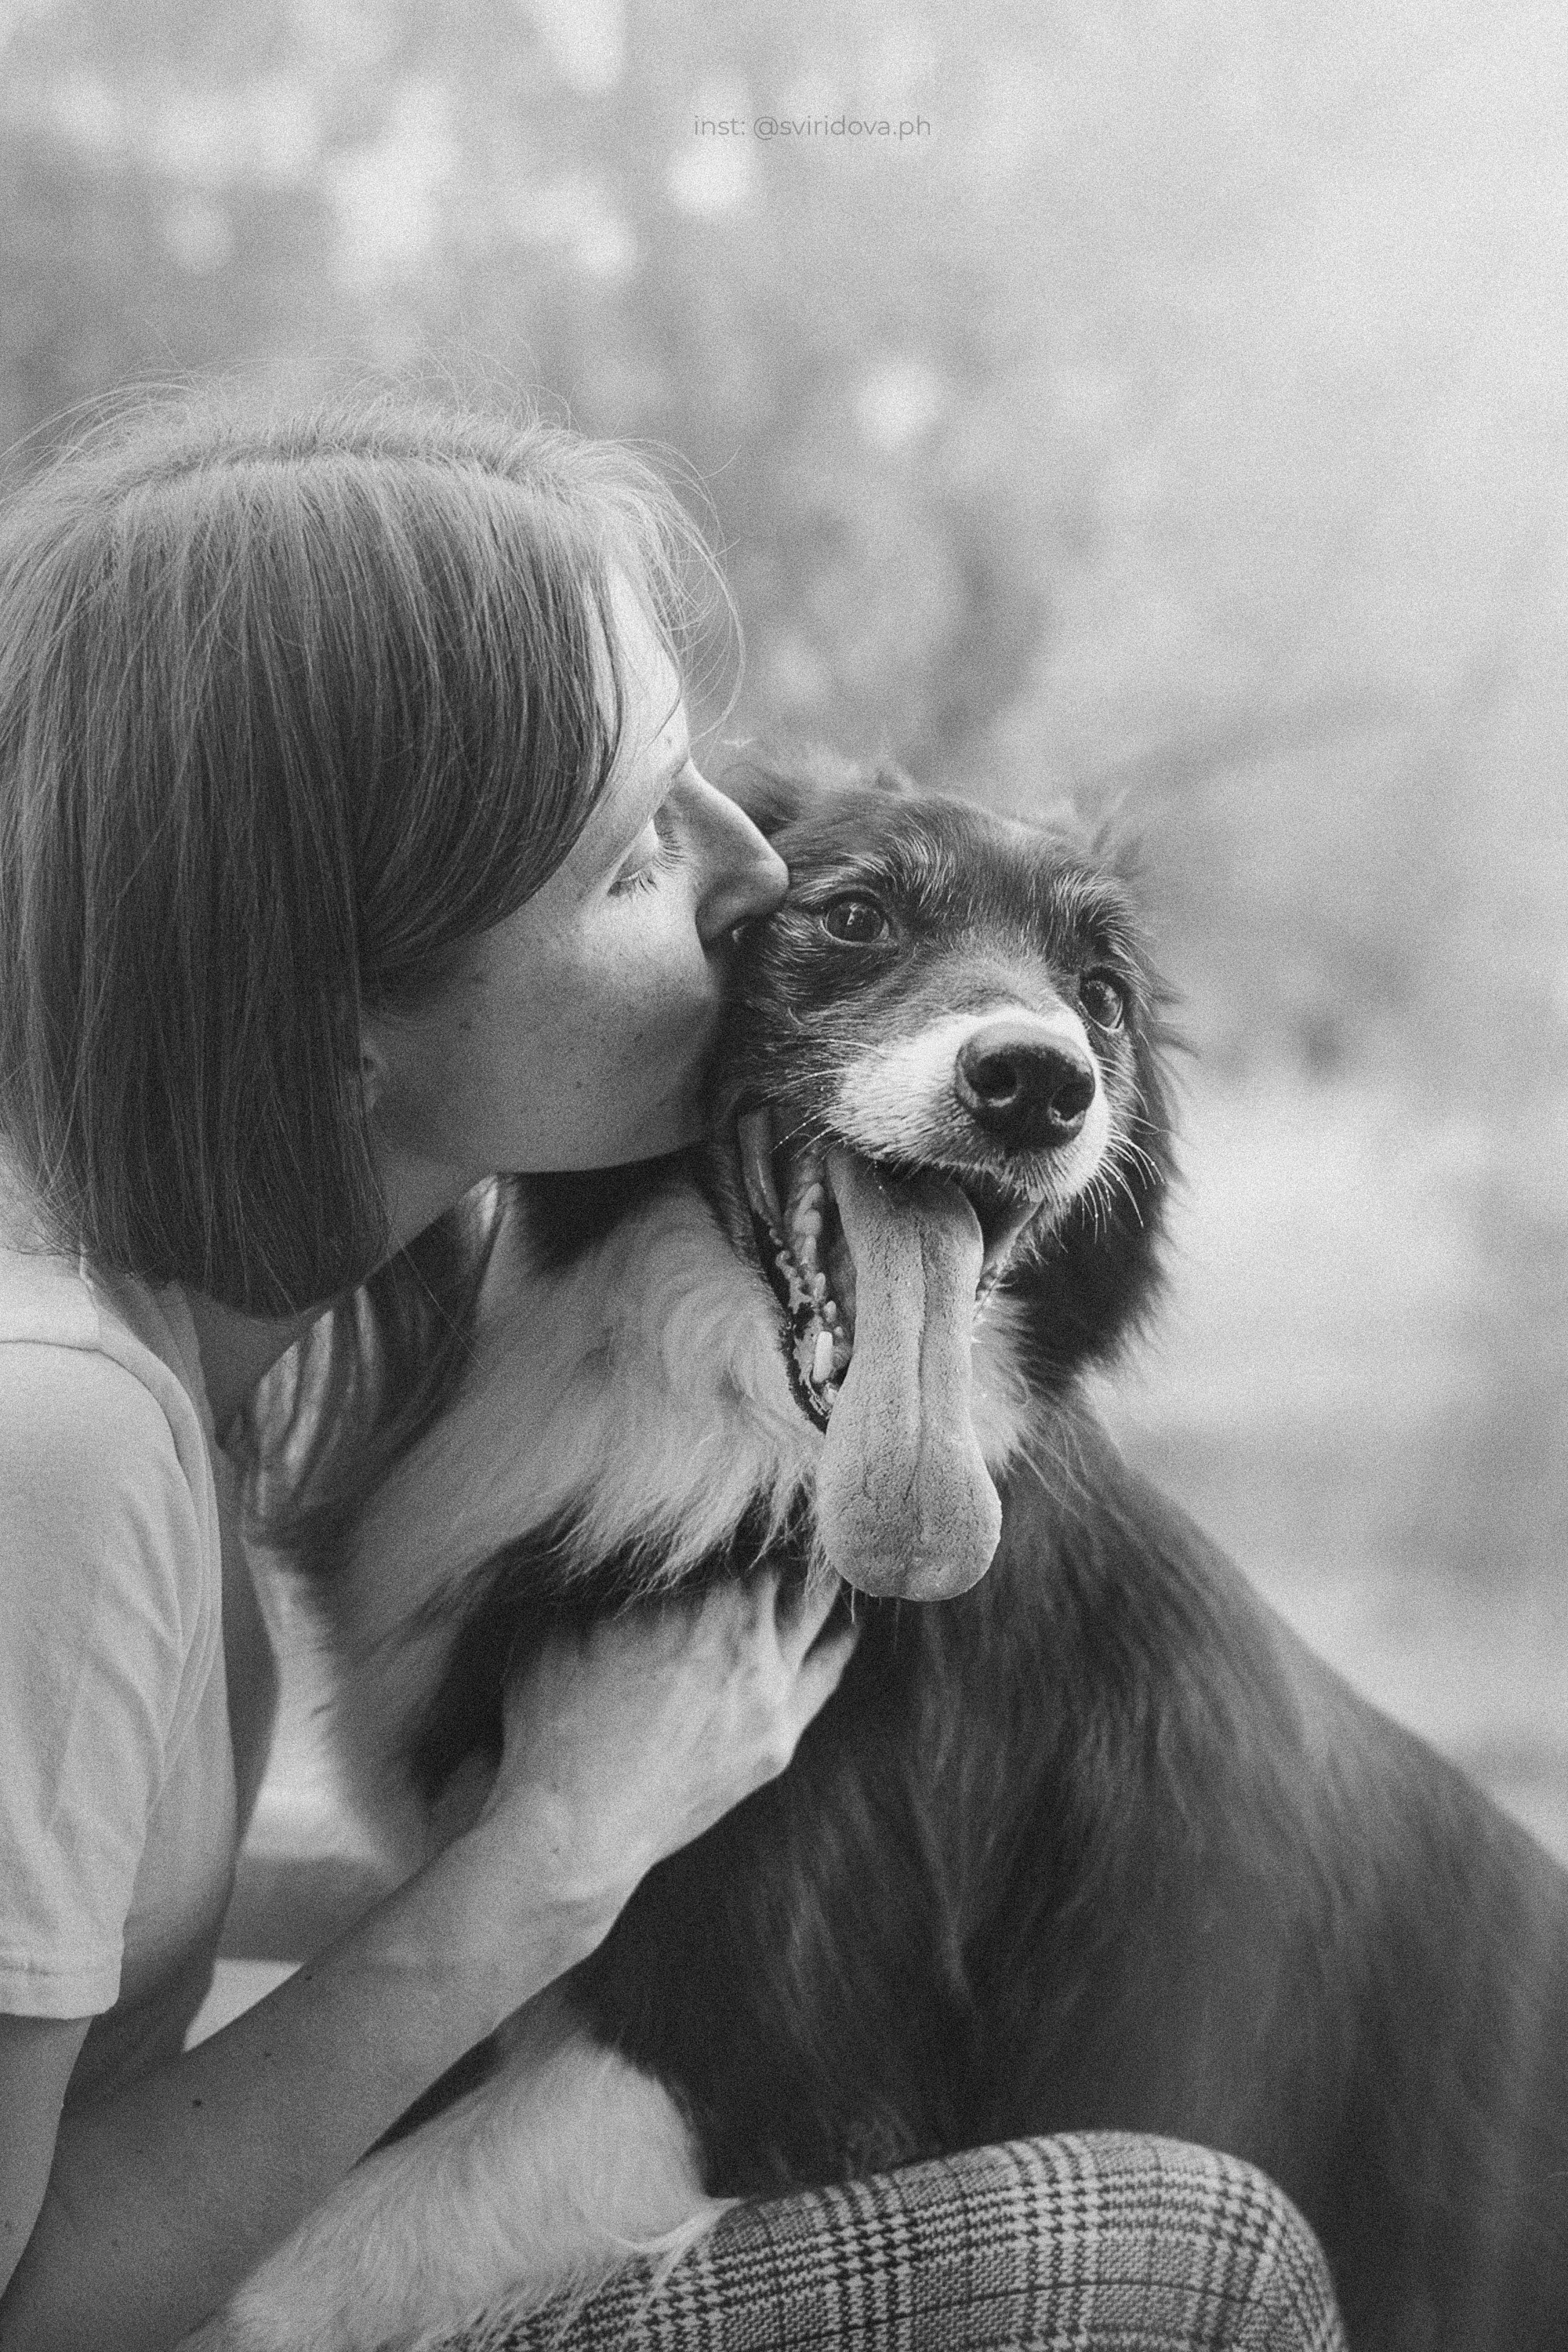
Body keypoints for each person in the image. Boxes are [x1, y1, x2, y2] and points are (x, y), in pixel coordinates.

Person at [0, 396, 1344, 2352]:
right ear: (335, 1001)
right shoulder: (60, 1438)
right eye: (637, 849)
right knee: (1183, 2246)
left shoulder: (239, 1340)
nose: (750, 879)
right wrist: (535, 1869)